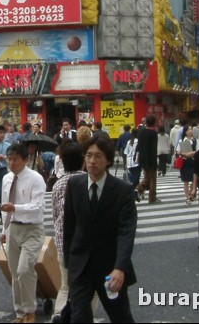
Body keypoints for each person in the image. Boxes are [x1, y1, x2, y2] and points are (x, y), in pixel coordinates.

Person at [63, 136, 138, 322]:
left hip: (110, 268)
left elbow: (126, 232)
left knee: (121, 317)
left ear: (109, 160)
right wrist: (69, 264)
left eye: (98, 156)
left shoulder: (123, 190)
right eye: (88, 155)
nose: (92, 161)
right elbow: (69, 227)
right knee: (79, 317)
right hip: (81, 267)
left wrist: (120, 268)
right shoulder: (74, 185)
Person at [0, 143, 46, 324]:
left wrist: (15, 208)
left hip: (32, 229)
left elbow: (38, 207)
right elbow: (4, 207)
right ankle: (20, 313)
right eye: (9, 159)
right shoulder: (6, 179)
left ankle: (30, 310)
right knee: (14, 273)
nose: (11, 163)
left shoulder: (36, 178)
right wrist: (4, 230)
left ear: (26, 159)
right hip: (13, 229)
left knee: (25, 269)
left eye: (15, 159)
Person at [50, 141, 84, 321]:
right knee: (88, 289)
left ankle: (59, 314)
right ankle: (79, 316)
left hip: (63, 243)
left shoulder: (58, 184)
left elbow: (55, 215)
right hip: (85, 245)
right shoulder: (88, 180)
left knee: (65, 285)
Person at [135, 115, 159, 203]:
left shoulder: (141, 132)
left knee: (146, 177)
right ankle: (151, 198)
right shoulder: (153, 133)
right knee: (152, 178)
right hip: (150, 158)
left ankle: (137, 191)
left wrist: (137, 157)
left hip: (142, 158)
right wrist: (154, 162)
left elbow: (139, 146)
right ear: (154, 123)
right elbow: (153, 149)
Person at [177, 126, 197, 204]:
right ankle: (188, 197)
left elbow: (198, 151)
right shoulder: (182, 140)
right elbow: (177, 151)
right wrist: (183, 153)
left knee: (193, 180)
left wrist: (192, 153)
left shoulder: (195, 140)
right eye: (188, 129)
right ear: (185, 131)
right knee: (185, 181)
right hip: (185, 162)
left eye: (191, 129)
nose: (190, 131)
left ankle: (191, 194)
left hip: (193, 162)